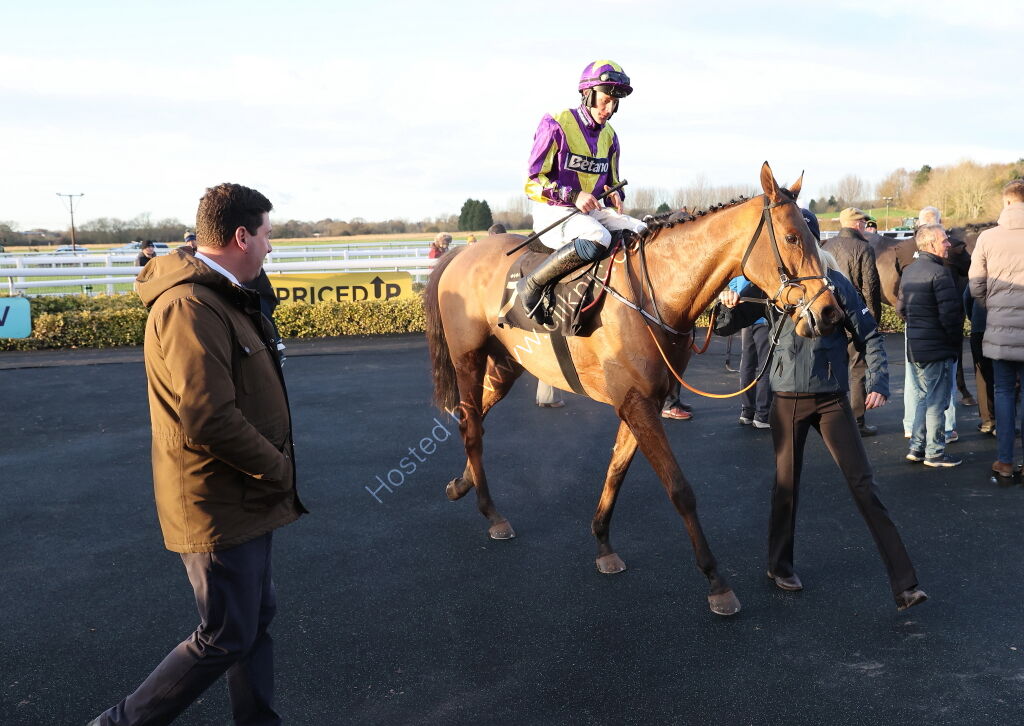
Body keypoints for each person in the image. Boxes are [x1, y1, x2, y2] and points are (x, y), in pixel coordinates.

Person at [90, 183, 306, 725]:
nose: (270, 248)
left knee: (253, 620)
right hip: (217, 496)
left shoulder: (225, 295)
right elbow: (208, 417)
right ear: (241, 235)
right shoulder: (190, 306)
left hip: (245, 491)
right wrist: (277, 468)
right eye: (267, 235)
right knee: (226, 633)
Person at [715, 251, 926, 612]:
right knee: (786, 485)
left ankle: (905, 585)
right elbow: (724, 327)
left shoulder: (836, 284)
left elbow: (869, 335)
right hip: (786, 399)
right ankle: (779, 565)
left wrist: (879, 380)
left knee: (864, 484)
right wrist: (728, 303)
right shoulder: (769, 287)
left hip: (832, 399)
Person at [519, 60, 648, 322]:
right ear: (588, 94)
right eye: (605, 100)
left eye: (615, 103)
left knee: (643, 231)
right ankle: (532, 284)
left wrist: (615, 194)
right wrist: (573, 196)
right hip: (554, 212)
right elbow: (532, 182)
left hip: (590, 213)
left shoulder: (610, 136)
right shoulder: (555, 122)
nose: (609, 109)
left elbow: (612, 181)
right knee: (598, 236)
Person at [968, 179, 1024, 479]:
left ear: (1006, 203)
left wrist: (994, 306)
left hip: (1001, 329)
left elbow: (976, 285)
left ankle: (1004, 461)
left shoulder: (988, 238)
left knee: (1002, 392)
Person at [898, 224, 962, 467]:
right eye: (944, 240)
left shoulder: (910, 271)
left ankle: (916, 447)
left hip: (915, 346)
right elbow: (951, 316)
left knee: (924, 398)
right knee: (937, 401)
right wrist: (954, 344)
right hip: (937, 347)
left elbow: (901, 309)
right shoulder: (941, 273)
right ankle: (935, 453)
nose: (948, 244)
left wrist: (919, 326)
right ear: (932, 244)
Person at [823, 208, 882, 436]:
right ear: (857, 224)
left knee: (835, 367)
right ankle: (857, 421)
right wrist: (872, 321)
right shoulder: (864, 248)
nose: (866, 227)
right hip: (855, 316)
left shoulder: (825, 246)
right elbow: (871, 287)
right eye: (864, 223)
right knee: (858, 369)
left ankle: (833, 418)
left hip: (829, 316)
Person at [729, 274, 771, 428]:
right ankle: (762, 415)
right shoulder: (761, 265)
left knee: (747, 364)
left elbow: (733, 284)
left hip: (746, 319)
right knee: (765, 367)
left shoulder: (741, 269)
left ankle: (747, 411)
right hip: (763, 318)